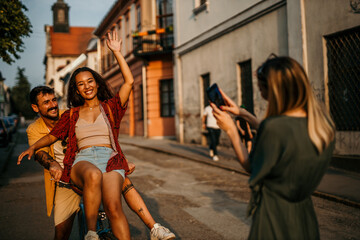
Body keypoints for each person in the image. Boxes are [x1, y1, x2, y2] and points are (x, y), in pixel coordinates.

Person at [18, 31, 175, 240]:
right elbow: (53, 136)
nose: (87, 86)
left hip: (109, 159)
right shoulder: (72, 114)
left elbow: (128, 82)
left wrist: (117, 52)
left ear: (97, 83)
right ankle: (91, 233)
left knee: (113, 206)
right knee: (92, 175)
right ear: (77, 90)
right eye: (81, 84)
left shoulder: (111, 108)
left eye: (90, 81)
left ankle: (153, 228)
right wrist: (33, 147)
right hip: (83, 160)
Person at [210, 56, 335, 239]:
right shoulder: (322, 127)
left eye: (262, 90)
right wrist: (243, 114)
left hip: (274, 218)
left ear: (274, 92)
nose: (262, 95)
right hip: (304, 217)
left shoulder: (274, 127)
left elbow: (251, 166)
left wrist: (231, 131)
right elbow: (285, 137)